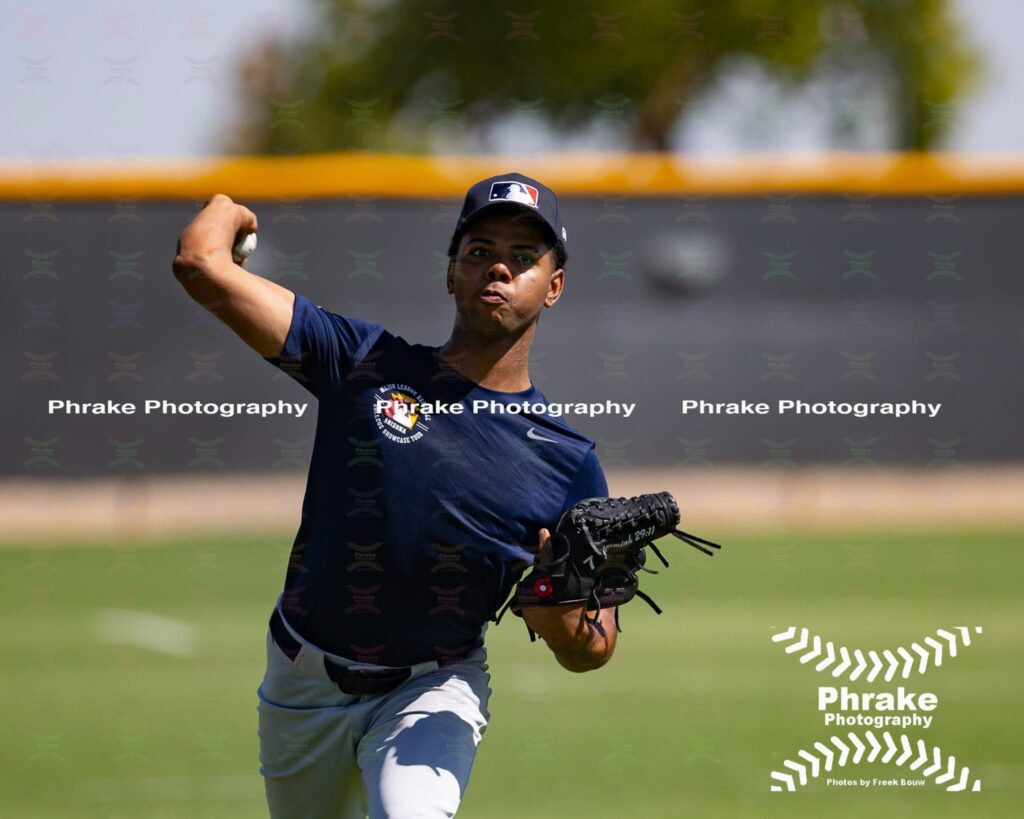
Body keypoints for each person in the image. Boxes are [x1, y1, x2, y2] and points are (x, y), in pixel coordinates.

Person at [172, 172, 617, 818]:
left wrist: (562, 623)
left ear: (554, 286)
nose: (498, 267)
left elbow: (595, 643)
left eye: (523, 257)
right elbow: (199, 266)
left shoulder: (565, 459)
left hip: (435, 686)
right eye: (479, 251)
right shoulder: (363, 363)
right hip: (302, 679)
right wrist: (225, 207)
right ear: (450, 273)